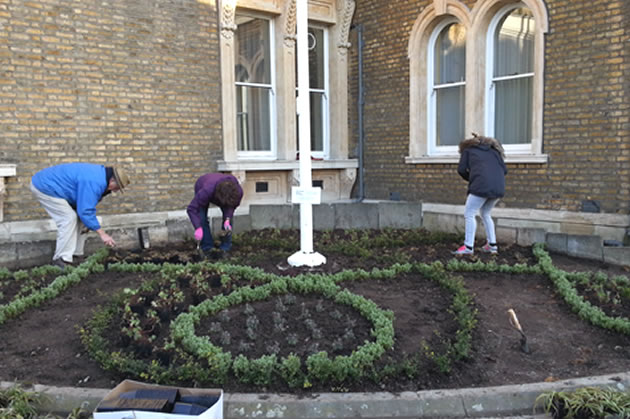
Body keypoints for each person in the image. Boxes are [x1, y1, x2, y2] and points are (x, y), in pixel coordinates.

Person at [30, 163, 131, 268]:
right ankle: (61, 259)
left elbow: (85, 208)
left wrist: (89, 222)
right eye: (117, 187)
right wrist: (102, 234)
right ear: (112, 180)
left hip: (56, 187)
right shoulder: (95, 182)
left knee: (83, 220)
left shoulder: (100, 177)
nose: (115, 191)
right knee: (68, 218)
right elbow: (85, 211)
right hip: (44, 186)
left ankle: (76, 255)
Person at [453, 134, 507, 255]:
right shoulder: (494, 151)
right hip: (498, 188)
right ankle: (492, 246)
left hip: (481, 186)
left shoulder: (468, 150)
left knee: (469, 213)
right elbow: (504, 170)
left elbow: (461, 170)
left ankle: (468, 247)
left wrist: (473, 179)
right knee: (486, 213)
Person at [186, 173, 243, 256]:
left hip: (218, 190)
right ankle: (207, 247)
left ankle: (225, 248)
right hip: (202, 184)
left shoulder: (238, 192)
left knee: (228, 220)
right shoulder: (206, 191)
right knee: (202, 219)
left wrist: (227, 218)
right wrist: (198, 227)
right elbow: (192, 209)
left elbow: (232, 206)